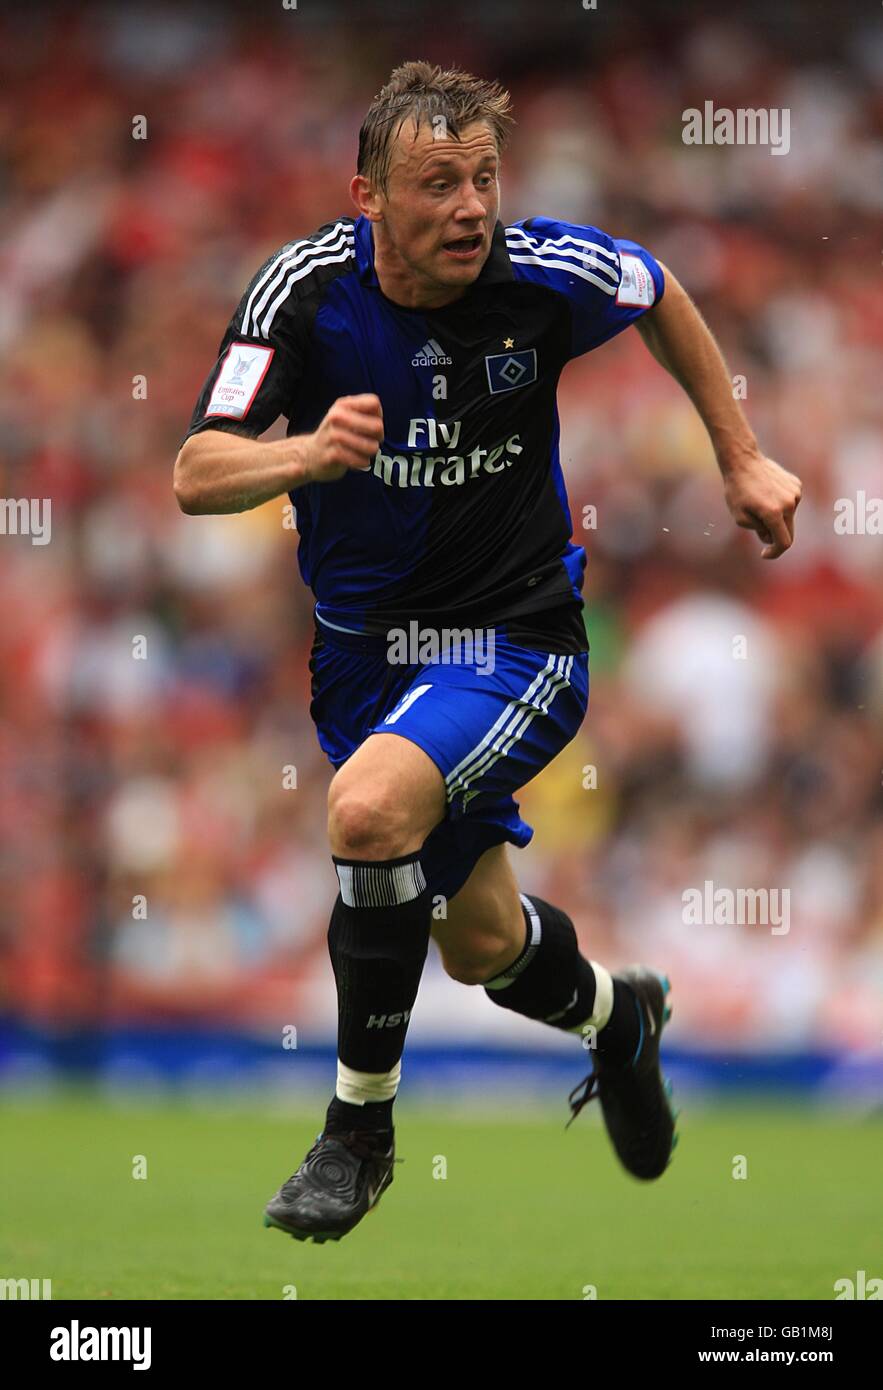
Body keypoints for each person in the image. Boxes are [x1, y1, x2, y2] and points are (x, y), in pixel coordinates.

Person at [174, 61, 802, 1243]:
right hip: (363, 664)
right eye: (436, 184)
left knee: (365, 815)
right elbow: (196, 470)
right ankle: (619, 1018)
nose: (471, 207)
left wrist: (739, 456)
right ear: (368, 196)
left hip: (515, 641)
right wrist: (303, 457)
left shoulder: (537, 273)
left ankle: (358, 1130)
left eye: (484, 179)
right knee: (479, 948)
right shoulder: (305, 294)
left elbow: (659, 288)